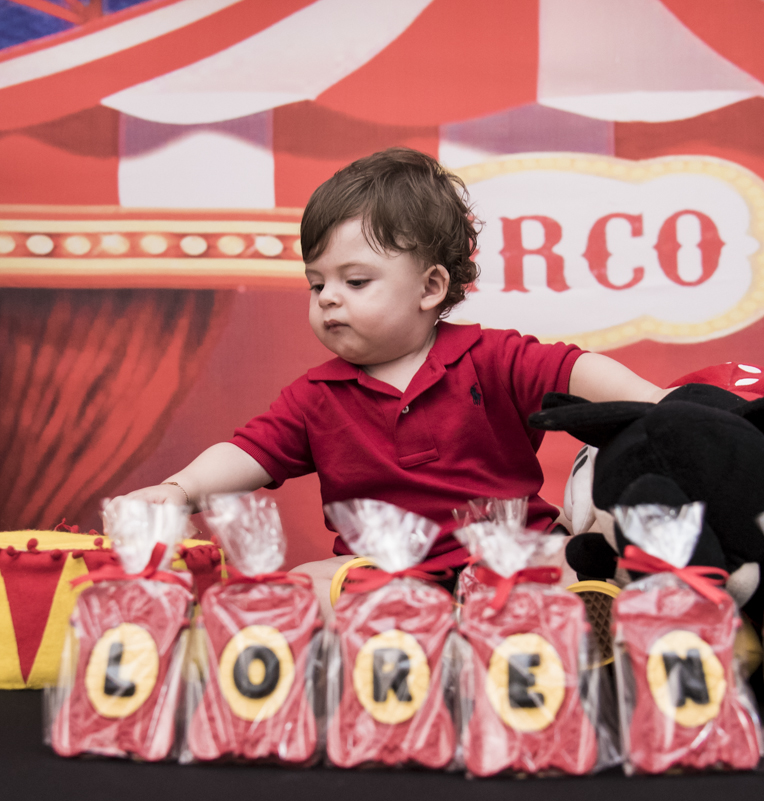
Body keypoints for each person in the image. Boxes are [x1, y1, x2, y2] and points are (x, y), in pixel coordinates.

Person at [117, 148, 666, 608]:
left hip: (509, 553)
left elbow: (575, 368)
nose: (329, 297)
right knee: (299, 591)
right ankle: (416, 635)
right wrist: (181, 489)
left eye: (355, 281)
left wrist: (655, 400)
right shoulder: (316, 397)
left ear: (430, 288)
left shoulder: (490, 356)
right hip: (382, 570)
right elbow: (247, 454)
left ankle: (575, 617)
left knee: (563, 573)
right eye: (316, 284)